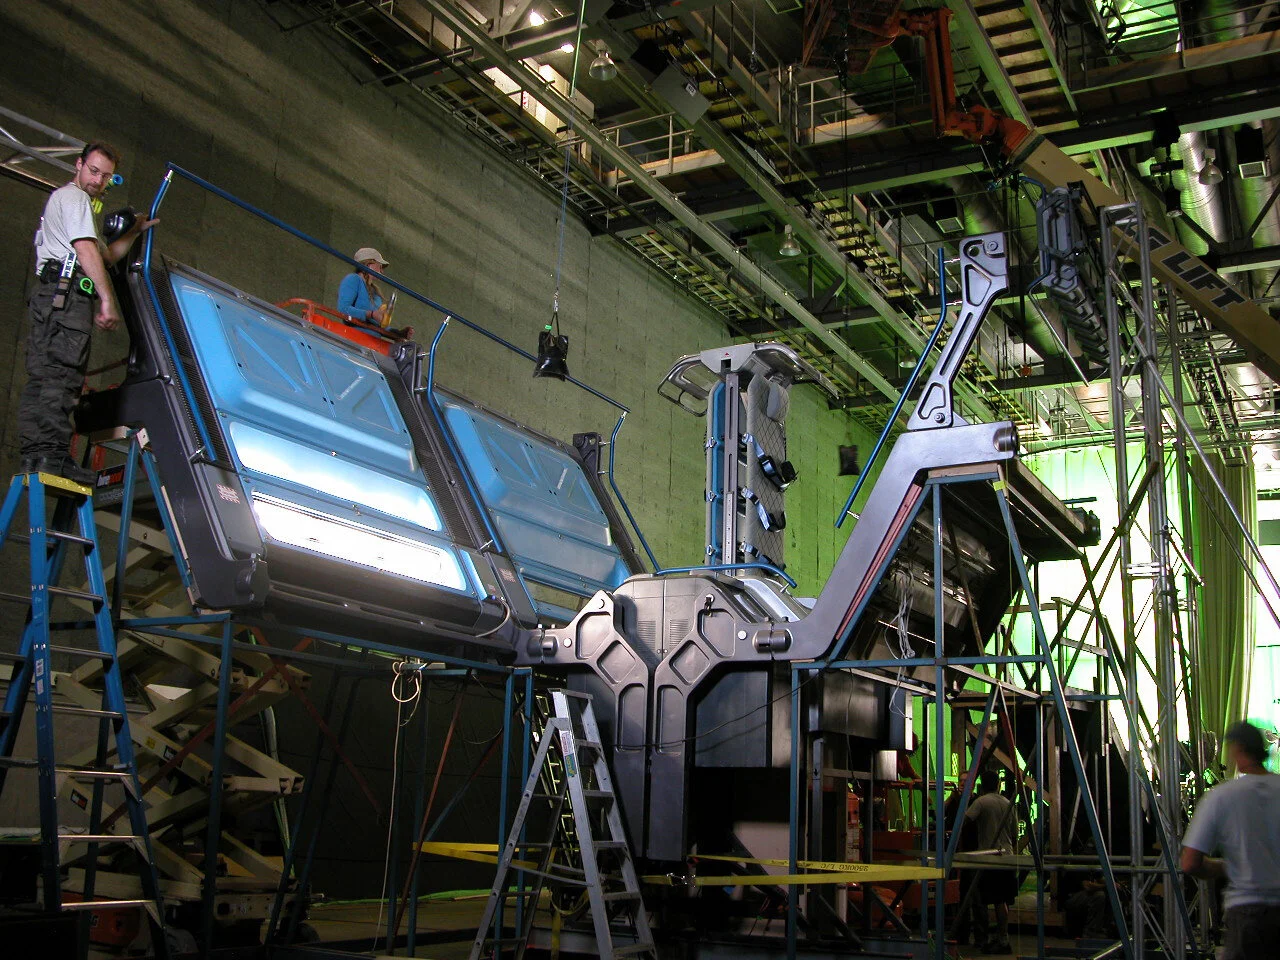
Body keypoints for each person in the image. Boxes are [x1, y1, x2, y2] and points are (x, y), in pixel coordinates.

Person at [18, 141, 156, 484]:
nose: (98, 180)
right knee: (62, 377)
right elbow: (86, 251)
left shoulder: (68, 203)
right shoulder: (75, 198)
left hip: (51, 297)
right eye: (93, 171)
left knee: (44, 376)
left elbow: (105, 256)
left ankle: (36, 454)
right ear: (78, 165)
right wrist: (106, 299)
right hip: (67, 298)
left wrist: (134, 232)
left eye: (106, 176)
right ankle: (52, 456)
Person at [1181, 720, 1280, 959]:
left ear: (1237, 749)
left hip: (1247, 913)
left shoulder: (1222, 796)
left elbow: (1189, 863)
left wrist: (1225, 866)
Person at [965, 768, 1018, 954]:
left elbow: (965, 820)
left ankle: (998, 939)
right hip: (1007, 855)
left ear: (981, 785)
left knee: (991, 899)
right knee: (1002, 900)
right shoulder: (1007, 803)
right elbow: (1014, 833)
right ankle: (1003, 937)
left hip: (990, 856)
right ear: (998, 784)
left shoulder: (981, 802)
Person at [336, 247, 390, 327]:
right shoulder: (353, 279)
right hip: (355, 332)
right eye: (380, 266)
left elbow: (377, 323)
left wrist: (398, 332)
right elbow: (343, 309)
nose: (382, 271)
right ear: (369, 264)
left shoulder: (375, 291)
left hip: (372, 334)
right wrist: (371, 314)